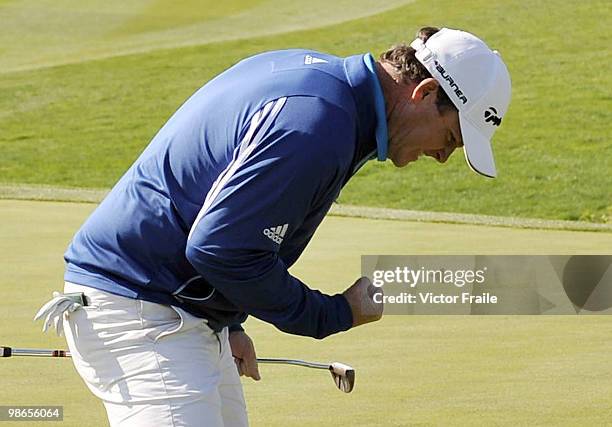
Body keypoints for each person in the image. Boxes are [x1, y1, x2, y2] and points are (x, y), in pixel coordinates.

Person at [35, 26, 511, 426]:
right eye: (451, 136)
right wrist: (335, 313)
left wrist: (232, 319)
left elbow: (231, 215)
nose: (445, 155)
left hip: (179, 311)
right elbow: (222, 250)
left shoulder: (328, 92)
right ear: (424, 93)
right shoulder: (320, 122)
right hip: (143, 312)